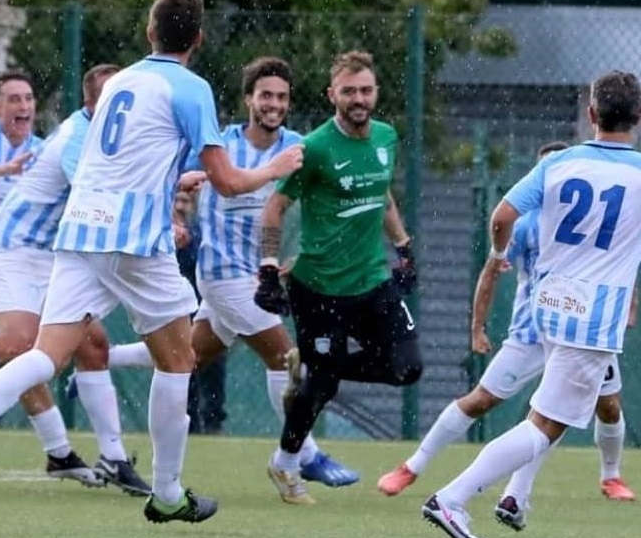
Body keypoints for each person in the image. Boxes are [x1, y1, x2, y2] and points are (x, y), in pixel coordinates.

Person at [0, 0, 303, 522]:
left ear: (150, 32)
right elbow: (230, 183)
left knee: (44, 354)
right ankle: (169, 493)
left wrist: (180, 173)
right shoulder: (192, 87)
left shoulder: (120, 81)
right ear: (197, 38)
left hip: (81, 230)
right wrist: (275, 167)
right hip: (135, 241)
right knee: (179, 360)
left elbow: (129, 157)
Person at [421, 70, 641, 538]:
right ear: (640, 118)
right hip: (594, 316)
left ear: (591, 115)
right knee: (545, 425)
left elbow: (502, 215)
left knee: (548, 413)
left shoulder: (558, 163)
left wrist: (499, 254)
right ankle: (452, 499)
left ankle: (514, 498)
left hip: (551, 304)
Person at [109, 56, 360, 487]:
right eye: (265, 95)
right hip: (222, 273)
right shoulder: (219, 145)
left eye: (281, 97)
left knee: (187, 354)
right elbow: (161, 174)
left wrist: (301, 257)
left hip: (257, 274)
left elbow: (332, 207)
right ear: (248, 99)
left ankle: (94, 363)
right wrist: (172, 216)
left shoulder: (300, 147)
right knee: (287, 358)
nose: (273, 104)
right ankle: (304, 456)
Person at [0, 64, 154, 498]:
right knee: (14, 348)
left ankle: (111, 458)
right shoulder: (76, 139)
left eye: (28, 99)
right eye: (114, 97)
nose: (125, 107)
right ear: (90, 103)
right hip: (9, 247)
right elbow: (99, 195)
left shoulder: (94, 138)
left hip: (46, 253)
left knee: (93, 343)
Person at [378, 141, 637, 525]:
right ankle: (414, 465)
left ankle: (607, 477)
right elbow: (490, 271)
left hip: (584, 331)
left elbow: (620, 266)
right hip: (531, 334)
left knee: (604, 407)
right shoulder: (526, 226)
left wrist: (629, 307)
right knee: (483, 400)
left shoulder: (593, 222)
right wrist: (477, 327)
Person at [255, 50, 423, 505]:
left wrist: (404, 247)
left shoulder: (386, 137)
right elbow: (274, 208)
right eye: (348, 91)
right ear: (332, 95)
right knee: (322, 387)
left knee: (406, 367)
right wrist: (269, 268)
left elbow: (382, 194)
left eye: (365, 90)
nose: (358, 98)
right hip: (319, 287)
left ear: (376, 93)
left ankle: (313, 370)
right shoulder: (314, 148)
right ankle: (286, 464)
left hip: (373, 281)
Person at [172, 188, 228, 434]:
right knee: (180, 363)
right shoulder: (158, 233)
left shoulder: (199, 234)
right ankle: (189, 420)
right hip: (173, 311)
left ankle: (213, 420)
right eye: (177, 200)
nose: (181, 206)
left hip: (202, 306)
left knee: (211, 364)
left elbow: (203, 263)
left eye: (186, 201)